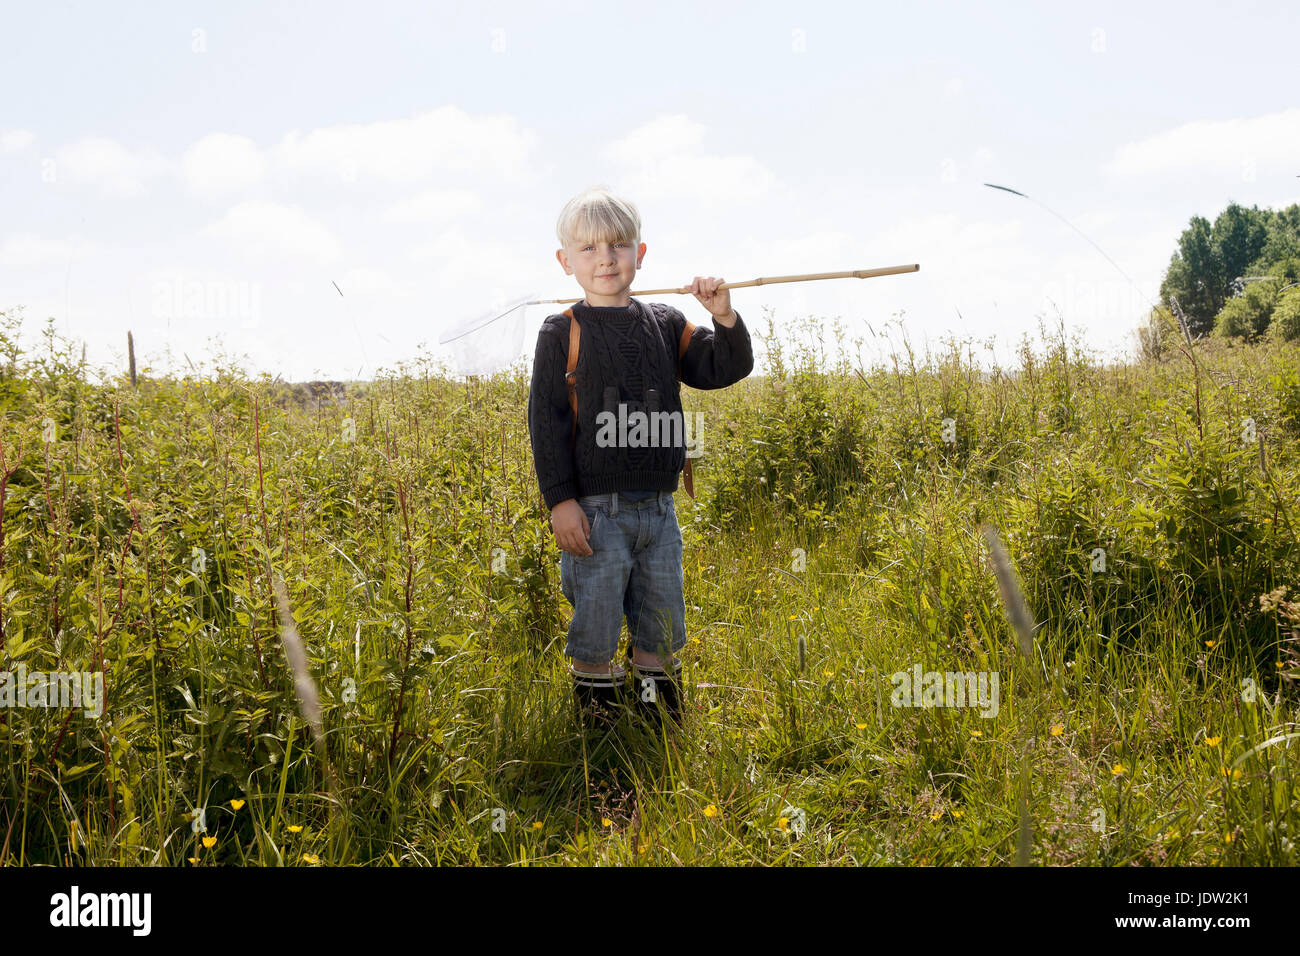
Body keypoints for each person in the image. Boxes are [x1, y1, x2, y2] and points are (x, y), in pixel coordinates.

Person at [527, 185, 754, 733]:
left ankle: (659, 733)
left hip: (658, 509)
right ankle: (599, 736)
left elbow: (723, 369)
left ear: (640, 254)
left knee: (660, 625)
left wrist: (723, 317)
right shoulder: (563, 332)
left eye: (618, 245)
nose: (605, 258)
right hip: (596, 514)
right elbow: (547, 424)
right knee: (597, 628)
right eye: (588, 249)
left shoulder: (666, 322)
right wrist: (561, 502)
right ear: (566, 262)